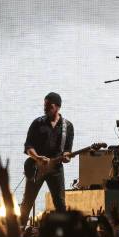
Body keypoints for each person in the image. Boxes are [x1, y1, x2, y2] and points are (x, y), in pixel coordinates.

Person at [20, 92, 74, 226]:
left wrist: (67, 157)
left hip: (56, 169)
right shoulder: (37, 123)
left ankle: (65, 235)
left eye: (48, 106)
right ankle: (19, 233)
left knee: (60, 204)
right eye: (44, 105)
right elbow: (28, 146)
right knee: (27, 203)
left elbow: (67, 150)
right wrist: (37, 157)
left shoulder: (68, 127)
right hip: (36, 168)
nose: (45, 108)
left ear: (57, 107)